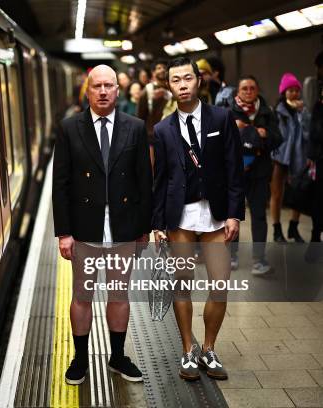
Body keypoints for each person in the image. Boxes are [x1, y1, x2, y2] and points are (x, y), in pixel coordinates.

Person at [53, 64, 152, 385]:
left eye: (109, 85)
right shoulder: (70, 128)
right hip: (85, 227)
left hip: (123, 227)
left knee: (119, 295)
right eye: (97, 86)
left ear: (118, 90)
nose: (103, 91)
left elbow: (143, 182)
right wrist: (64, 232)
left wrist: (144, 229)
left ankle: (118, 356)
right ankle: (80, 359)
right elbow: (61, 184)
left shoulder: (135, 127)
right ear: (88, 90)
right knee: (83, 295)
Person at [152, 57, 245, 381]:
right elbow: (160, 179)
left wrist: (235, 213)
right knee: (183, 285)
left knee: (220, 285)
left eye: (187, 78)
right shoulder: (162, 129)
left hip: (216, 216)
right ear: (169, 85)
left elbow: (234, 168)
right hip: (180, 217)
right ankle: (188, 349)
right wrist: (158, 224)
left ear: (198, 81)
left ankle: (209, 347)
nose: (182, 84)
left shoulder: (221, 117)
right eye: (175, 79)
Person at [225, 76, 282, 274]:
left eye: (252, 88)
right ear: (238, 92)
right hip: (235, 172)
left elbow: (278, 138)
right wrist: (236, 128)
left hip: (259, 171)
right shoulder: (229, 111)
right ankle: (231, 256)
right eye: (244, 88)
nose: (248, 91)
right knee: (233, 215)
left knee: (258, 215)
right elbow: (218, 140)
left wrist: (264, 135)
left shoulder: (267, 112)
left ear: (257, 90)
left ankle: (259, 260)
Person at [270, 73, 311, 243]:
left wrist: (302, 114)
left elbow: (308, 133)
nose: (294, 93)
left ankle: (294, 227)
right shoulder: (277, 112)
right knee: (277, 194)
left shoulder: (303, 111)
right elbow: (276, 135)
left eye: (296, 90)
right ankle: (277, 230)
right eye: (290, 90)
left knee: (299, 193)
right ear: (283, 92)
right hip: (280, 158)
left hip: (299, 158)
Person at [305, 51, 323, 263]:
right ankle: (315, 239)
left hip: (320, 155)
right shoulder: (317, 90)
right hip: (320, 157)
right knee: (319, 199)